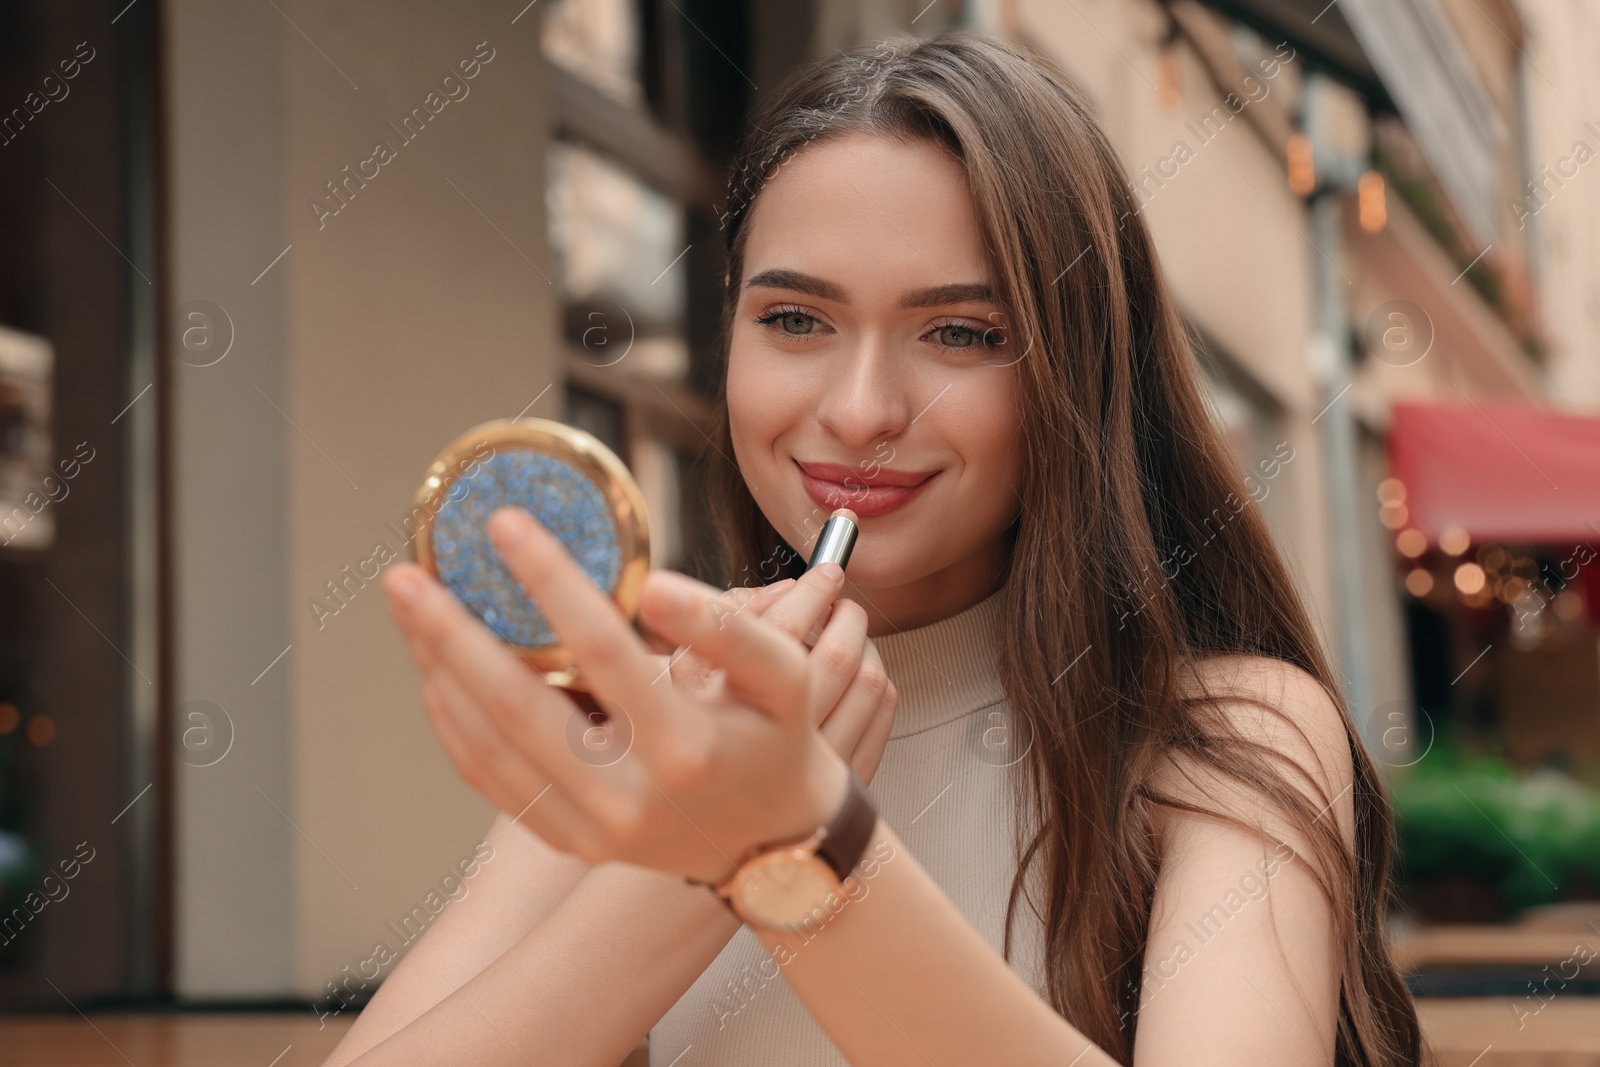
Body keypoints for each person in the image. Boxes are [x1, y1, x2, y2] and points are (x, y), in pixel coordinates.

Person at [326, 29, 1423, 1067]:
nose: (858, 411)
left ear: (1079, 370)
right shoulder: (642, 723)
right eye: (795, 320)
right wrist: (706, 854)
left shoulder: (1228, 733)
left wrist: (805, 848)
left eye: (961, 333)